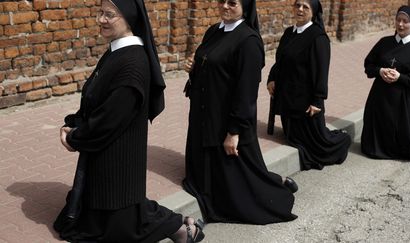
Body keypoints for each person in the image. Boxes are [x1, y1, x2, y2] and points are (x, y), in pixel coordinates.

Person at [53, 0, 205, 242]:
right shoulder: (117, 51)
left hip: (118, 160)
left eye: (109, 14)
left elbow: (109, 118)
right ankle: (181, 226)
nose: (100, 19)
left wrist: (75, 137)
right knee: (114, 217)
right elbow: (95, 97)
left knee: (124, 227)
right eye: (100, 13)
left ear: (129, 17)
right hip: (106, 156)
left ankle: (181, 228)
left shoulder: (133, 62)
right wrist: (73, 122)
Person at [182, 0, 297, 225]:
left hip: (226, 117)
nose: (225, 6)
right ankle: (274, 179)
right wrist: (194, 68)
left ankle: (273, 185)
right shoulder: (214, 31)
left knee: (238, 182)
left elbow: (246, 91)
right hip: (206, 113)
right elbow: (209, 66)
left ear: (245, 6)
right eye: (222, 1)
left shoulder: (248, 41)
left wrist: (234, 131)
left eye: (232, 2)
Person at [267, 0, 351, 170]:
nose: (300, 9)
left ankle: (343, 140)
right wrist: (272, 78)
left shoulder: (318, 37)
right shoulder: (289, 32)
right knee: (292, 137)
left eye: (305, 7)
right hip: (289, 97)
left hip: (305, 102)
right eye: (297, 5)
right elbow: (280, 60)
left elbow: (321, 71)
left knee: (319, 145)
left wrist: (318, 100)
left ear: (313, 12)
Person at [361, 5, 410, 161]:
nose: (400, 24)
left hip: (403, 101)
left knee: (403, 136)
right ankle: (375, 147)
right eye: (398, 20)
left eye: (405, 21)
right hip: (379, 96)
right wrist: (379, 71)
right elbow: (368, 65)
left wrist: (400, 77)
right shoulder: (384, 42)